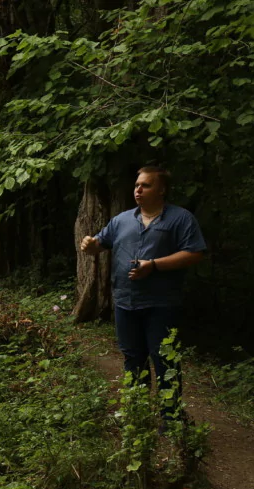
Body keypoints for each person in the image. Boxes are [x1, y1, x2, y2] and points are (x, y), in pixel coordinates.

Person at [80, 166, 207, 422]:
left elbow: (195, 253)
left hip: (162, 304)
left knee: (165, 361)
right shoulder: (122, 220)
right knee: (132, 359)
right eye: (137, 185)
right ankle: (136, 414)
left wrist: (154, 265)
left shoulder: (180, 219)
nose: (138, 189)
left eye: (146, 185)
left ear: (161, 190)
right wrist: (90, 245)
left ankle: (171, 419)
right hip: (125, 302)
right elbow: (98, 245)